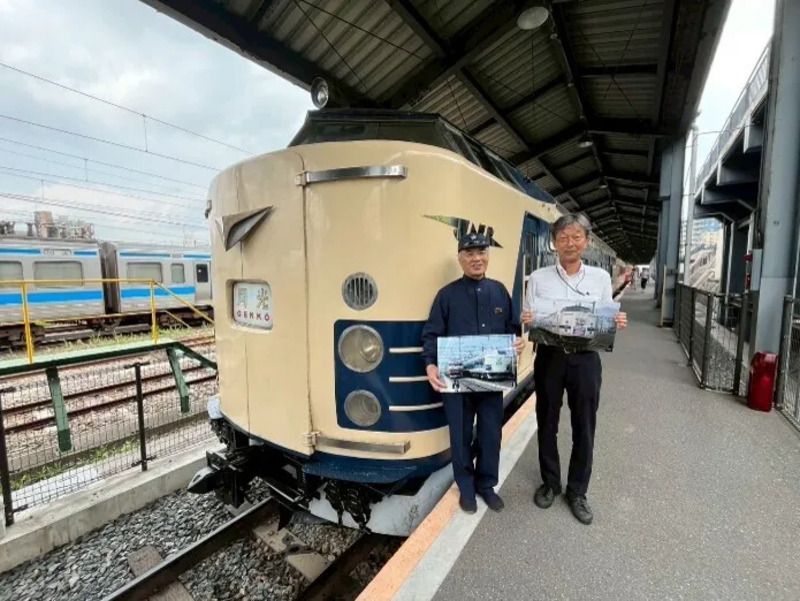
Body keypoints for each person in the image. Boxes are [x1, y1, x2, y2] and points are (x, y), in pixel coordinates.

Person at [521, 214, 627, 525]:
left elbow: (605, 319)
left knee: (585, 425)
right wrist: (528, 320)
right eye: (564, 237)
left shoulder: (600, 278)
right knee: (547, 421)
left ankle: (577, 491)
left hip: (586, 360)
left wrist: (615, 322)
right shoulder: (538, 278)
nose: (570, 242)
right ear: (554, 242)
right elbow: (530, 317)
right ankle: (550, 482)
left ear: (587, 241)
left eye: (576, 236)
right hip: (550, 357)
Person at [422, 232, 525, 514]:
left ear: (488, 256)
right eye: (470, 254)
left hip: (491, 381)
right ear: (460, 258)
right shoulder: (446, 296)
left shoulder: (500, 291)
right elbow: (431, 334)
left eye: (482, 253)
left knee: (491, 434)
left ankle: (486, 485)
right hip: (456, 382)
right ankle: (465, 487)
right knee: (461, 434)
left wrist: (517, 342)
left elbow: (511, 329)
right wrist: (430, 364)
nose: (477, 259)